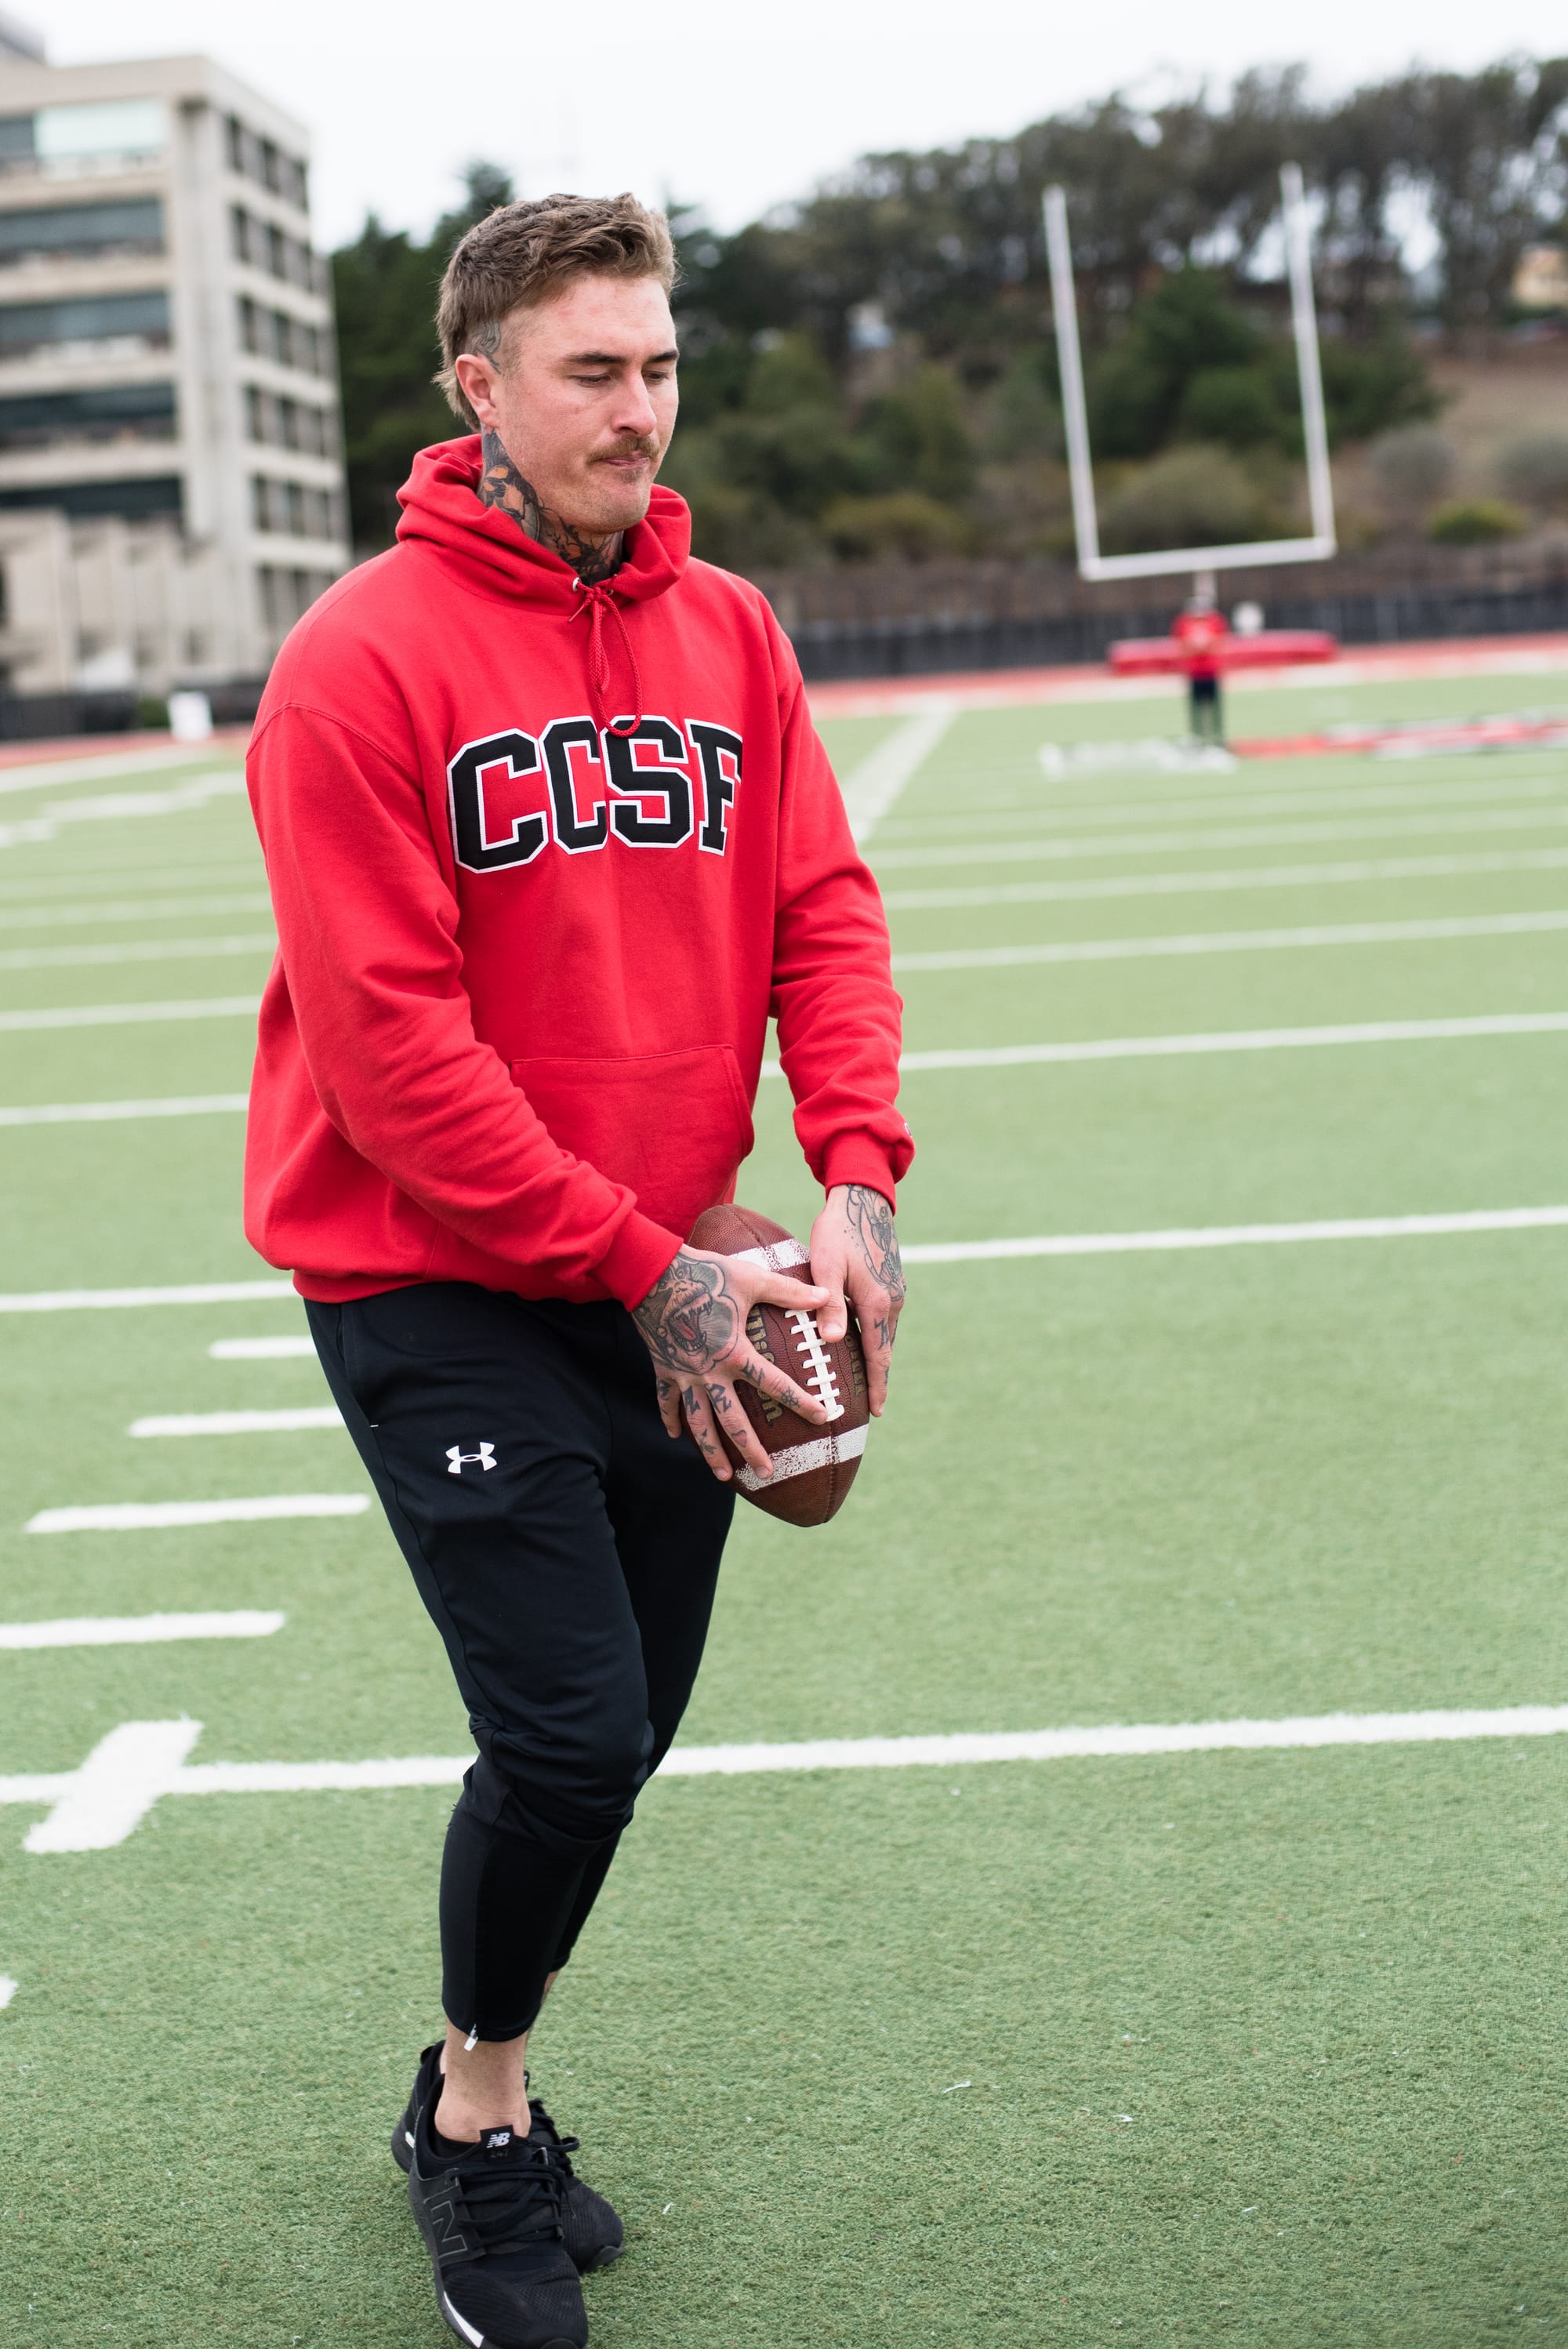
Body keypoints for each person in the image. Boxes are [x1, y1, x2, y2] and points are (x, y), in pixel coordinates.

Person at [242, 192, 910, 2349]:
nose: (639, 409)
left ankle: (466, 2091)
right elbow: (390, 1051)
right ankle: (482, 2121)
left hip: (668, 1267)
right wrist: (647, 1269)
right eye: (592, 372)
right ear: (482, 390)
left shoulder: (732, 629)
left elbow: (823, 902)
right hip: (434, 1270)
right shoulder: (362, 659)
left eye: (658, 366)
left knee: (625, 1739)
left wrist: (859, 1175)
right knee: (567, 1726)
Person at [1171, 585, 1229, 743]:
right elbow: (1183, 645)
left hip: (1211, 671)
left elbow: (1218, 643)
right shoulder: (1184, 623)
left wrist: (1203, 644)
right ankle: (1197, 735)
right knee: (1195, 708)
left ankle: (1217, 735)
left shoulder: (1215, 621)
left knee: (1215, 707)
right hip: (1194, 672)